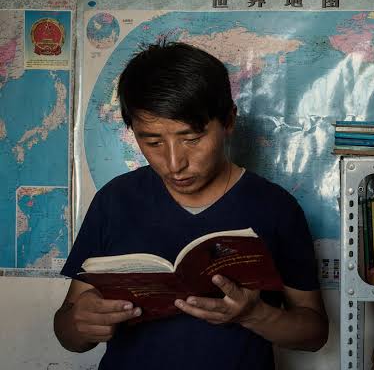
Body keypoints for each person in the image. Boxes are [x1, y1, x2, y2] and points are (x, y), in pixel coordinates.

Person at [53, 42, 328, 369]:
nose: (174, 164)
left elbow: (314, 334)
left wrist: (255, 314)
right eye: (153, 142)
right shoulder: (114, 201)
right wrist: (81, 323)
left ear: (228, 121)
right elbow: (68, 332)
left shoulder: (276, 208)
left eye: (191, 139)